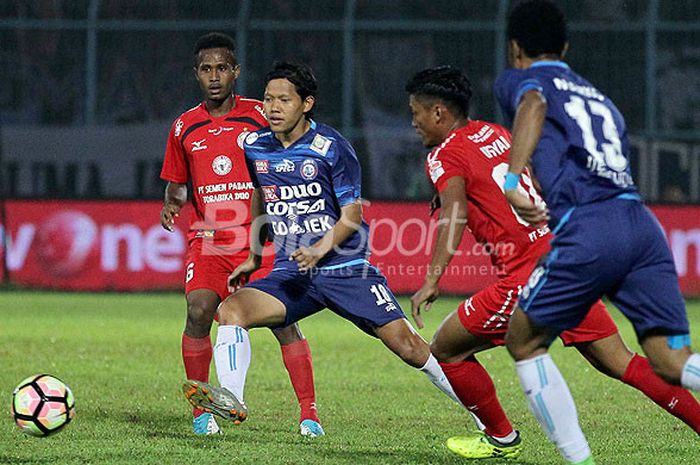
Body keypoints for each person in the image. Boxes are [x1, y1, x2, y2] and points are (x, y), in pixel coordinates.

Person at [406, 66, 700, 460]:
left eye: (416, 113)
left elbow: (455, 214)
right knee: (622, 363)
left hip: (524, 277)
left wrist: (432, 279)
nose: (414, 123)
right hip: (565, 258)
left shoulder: (444, 154)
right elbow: (523, 182)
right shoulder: (497, 133)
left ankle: (502, 439)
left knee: (446, 349)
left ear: (438, 112)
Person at [182, 62, 466, 432]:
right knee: (231, 311)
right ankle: (232, 399)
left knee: (409, 348)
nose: (273, 108)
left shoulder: (331, 147)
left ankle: (481, 413)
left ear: (307, 103)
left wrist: (317, 249)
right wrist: (254, 253)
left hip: (344, 270)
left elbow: (351, 215)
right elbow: (258, 194)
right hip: (293, 273)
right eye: (268, 99)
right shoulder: (254, 145)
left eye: (284, 99)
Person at [494, 2, 700, 463]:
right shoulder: (596, 94)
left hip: (589, 226)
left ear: (514, 47)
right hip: (641, 224)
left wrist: (512, 179)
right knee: (670, 360)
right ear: (565, 47)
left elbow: (533, 103)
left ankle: (580, 461)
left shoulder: (519, 78)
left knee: (523, 341)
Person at [160, 33, 322, 437]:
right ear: (196, 74)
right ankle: (203, 412)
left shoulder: (260, 115)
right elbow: (178, 181)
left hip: (261, 240)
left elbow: (294, 154)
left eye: (221, 68)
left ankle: (309, 414)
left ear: (235, 72)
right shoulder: (184, 126)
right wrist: (173, 202)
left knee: (284, 323)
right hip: (210, 241)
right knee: (198, 312)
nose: (214, 76)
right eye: (205, 69)